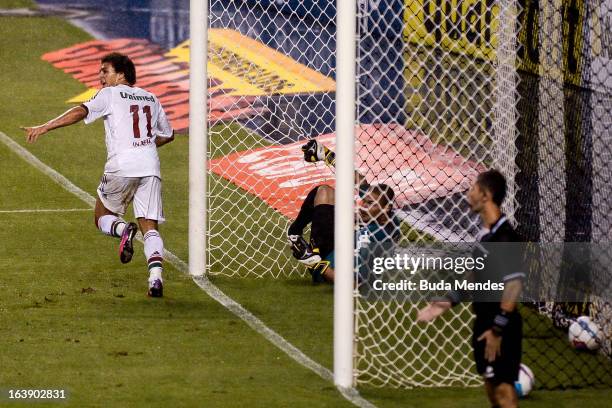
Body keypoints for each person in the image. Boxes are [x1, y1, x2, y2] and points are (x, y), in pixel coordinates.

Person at [21, 52, 174, 298]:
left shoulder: (110, 94)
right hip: (149, 165)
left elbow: (80, 111)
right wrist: (142, 147)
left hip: (121, 166)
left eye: (105, 70)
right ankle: (155, 279)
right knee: (150, 226)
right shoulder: (151, 98)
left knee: (102, 216)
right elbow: (168, 134)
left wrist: (45, 126)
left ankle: (123, 229)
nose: (100, 75)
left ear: (121, 74)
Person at [417, 170, 525, 408]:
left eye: (472, 189)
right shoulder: (486, 236)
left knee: (504, 393)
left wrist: (498, 329)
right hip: (484, 321)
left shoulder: (505, 237)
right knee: (492, 391)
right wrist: (447, 302)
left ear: (486, 195)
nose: (468, 194)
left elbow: (514, 285)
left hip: (500, 326)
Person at [287, 139, 400, 283]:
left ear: (386, 208)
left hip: (326, 270)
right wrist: (326, 155)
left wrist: (313, 262)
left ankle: (313, 252)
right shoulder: (387, 216)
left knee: (332, 198)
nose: (363, 205)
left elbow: (355, 283)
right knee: (325, 191)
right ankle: (295, 231)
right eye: (364, 200)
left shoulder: (376, 240)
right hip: (339, 247)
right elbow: (361, 182)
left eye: (370, 203)